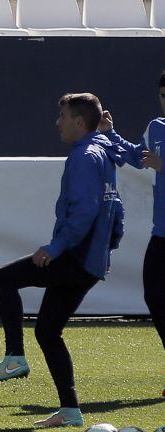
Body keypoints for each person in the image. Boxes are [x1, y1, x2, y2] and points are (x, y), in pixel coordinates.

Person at [0, 93, 125, 427]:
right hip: (88, 262)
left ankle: (14, 357)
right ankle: (71, 411)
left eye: (62, 116)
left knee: (2, 278)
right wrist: (108, 249)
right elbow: (115, 207)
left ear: (79, 121)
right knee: (47, 332)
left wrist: (55, 248)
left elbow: (87, 211)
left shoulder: (84, 156)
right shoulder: (102, 152)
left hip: (74, 257)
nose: (57, 123)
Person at [98, 73, 165, 398]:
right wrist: (111, 135)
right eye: (164, 95)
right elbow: (138, 158)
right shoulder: (157, 128)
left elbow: (159, 164)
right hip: (162, 233)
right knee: (154, 296)